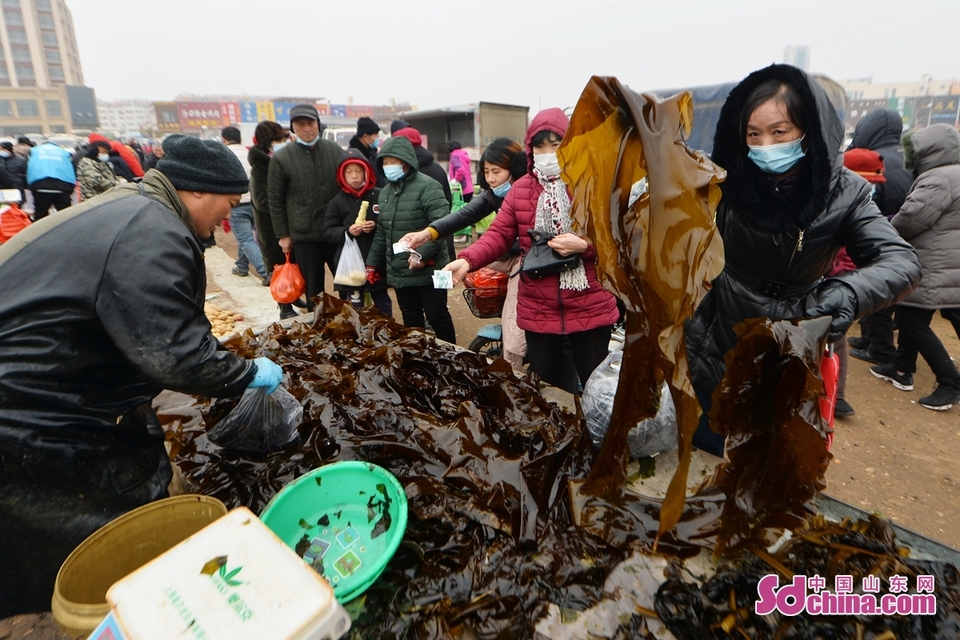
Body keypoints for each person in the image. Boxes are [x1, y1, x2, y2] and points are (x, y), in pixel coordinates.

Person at [0, 133, 283, 616]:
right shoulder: (151, 231)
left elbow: (151, 324)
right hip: (25, 404)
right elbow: (173, 355)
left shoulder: (135, 203)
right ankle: (107, 611)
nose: (228, 219)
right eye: (229, 204)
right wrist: (244, 372)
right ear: (197, 190)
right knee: (84, 529)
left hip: (47, 379)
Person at [683, 64, 921, 457]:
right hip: (715, 338)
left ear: (808, 130)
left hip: (790, 345)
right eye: (753, 135)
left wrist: (846, 292)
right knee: (705, 450)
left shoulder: (845, 193)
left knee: (767, 461)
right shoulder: (726, 179)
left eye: (780, 132)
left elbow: (902, 261)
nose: (765, 146)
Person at [445, 109, 620, 394]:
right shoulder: (521, 189)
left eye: (556, 143)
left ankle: (593, 438)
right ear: (530, 149)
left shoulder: (593, 183)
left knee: (595, 389)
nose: (548, 152)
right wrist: (467, 259)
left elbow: (617, 240)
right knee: (547, 391)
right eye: (540, 145)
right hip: (540, 308)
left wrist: (586, 246)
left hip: (589, 304)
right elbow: (499, 235)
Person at [401, 137, 528, 368]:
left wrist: (500, 247)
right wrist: (427, 233)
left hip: (528, 261)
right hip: (506, 254)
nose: (490, 178)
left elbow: (515, 240)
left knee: (514, 327)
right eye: (486, 171)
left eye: (496, 171)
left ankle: (513, 370)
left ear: (516, 168)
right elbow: (464, 215)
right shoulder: (493, 194)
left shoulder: (529, 192)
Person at [870, 124, 960, 411]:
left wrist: (882, 229)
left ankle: (950, 382)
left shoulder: (938, 179)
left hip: (933, 261)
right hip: (948, 260)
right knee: (912, 315)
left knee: (912, 321)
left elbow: (911, 219)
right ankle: (901, 369)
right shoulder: (954, 174)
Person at [366, 136, 455, 343]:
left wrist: (421, 255)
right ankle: (418, 361)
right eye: (385, 162)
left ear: (405, 161)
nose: (388, 166)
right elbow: (382, 232)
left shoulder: (428, 187)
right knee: (410, 318)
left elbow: (442, 225)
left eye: (392, 161)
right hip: (400, 269)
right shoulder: (385, 193)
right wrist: (372, 263)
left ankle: (452, 356)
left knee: (437, 316)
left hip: (431, 266)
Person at [846, 109, 914, 366]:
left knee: (876, 294)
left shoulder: (876, 159)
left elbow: (871, 203)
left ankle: (880, 349)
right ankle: (870, 339)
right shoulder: (908, 157)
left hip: (879, 231)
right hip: (908, 236)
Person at [268, 103, 345, 311]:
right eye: (300, 124)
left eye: (310, 123)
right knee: (313, 287)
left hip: (335, 230)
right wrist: (283, 234)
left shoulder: (335, 151)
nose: (307, 128)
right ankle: (317, 323)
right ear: (293, 128)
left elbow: (347, 187)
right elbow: (275, 199)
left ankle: (349, 320)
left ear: (318, 124)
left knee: (346, 280)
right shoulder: (282, 158)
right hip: (303, 234)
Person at [321, 149, 391, 316]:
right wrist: (347, 232)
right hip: (350, 265)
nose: (354, 176)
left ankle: (388, 331)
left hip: (376, 263)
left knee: (382, 303)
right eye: (349, 172)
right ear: (341, 175)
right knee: (354, 307)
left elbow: (391, 223)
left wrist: (376, 226)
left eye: (359, 171)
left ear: (367, 172)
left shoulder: (380, 195)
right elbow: (328, 231)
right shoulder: (337, 202)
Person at [249, 120, 298, 318]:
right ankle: (284, 307)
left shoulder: (282, 160)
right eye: (278, 139)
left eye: (283, 138)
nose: (282, 142)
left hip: (288, 221)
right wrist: (283, 208)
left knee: (292, 264)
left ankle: (293, 298)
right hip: (271, 225)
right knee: (279, 267)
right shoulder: (261, 166)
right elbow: (262, 200)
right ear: (267, 143)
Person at [392, 127, 455, 260]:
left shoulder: (415, 173)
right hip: (433, 239)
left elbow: (439, 216)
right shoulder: (436, 168)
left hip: (427, 244)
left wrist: (421, 254)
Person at [222, 125, 269, 285]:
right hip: (254, 202)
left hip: (238, 203)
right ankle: (242, 266)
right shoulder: (249, 152)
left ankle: (265, 272)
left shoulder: (225, 155)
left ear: (224, 140)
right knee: (247, 238)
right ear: (241, 139)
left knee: (246, 239)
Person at [27, 140, 75, 220]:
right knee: (66, 217)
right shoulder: (64, 152)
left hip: (40, 185)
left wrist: (31, 186)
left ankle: (41, 231)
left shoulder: (35, 151)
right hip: (62, 187)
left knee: (40, 216)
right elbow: (70, 169)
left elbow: (30, 167)